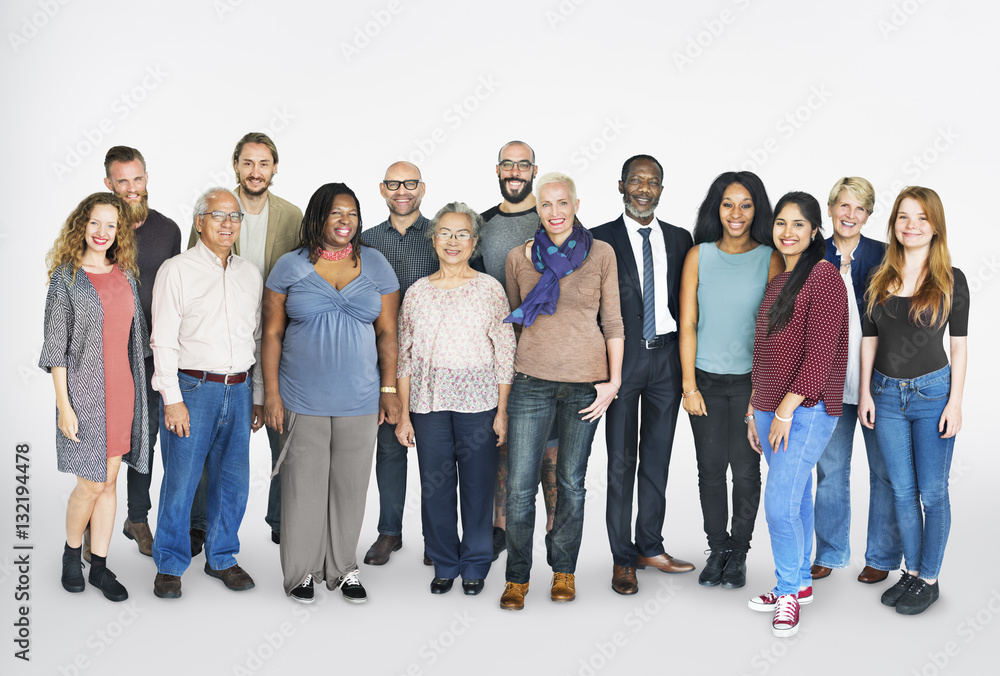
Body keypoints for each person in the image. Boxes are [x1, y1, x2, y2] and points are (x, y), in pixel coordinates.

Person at [262, 183, 401, 605]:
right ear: (318, 217)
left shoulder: (376, 264)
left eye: (352, 214)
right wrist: (271, 395)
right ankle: (301, 571)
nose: (345, 221)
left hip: (359, 398)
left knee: (351, 486)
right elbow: (271, 333)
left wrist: (389, 389)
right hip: (301, 398)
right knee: (302, 486)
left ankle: (343, 568)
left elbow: (389, 332)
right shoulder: (289, 265)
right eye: (336, 213)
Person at [500, 172, 624, 610]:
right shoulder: (520, 257)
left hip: (585, 387)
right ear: (538, 209)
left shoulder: (602, 253)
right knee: (518, 487)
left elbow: (612, 322)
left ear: (576, 205)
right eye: (546, 205)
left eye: (562, 203)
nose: (554, 212)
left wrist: (614, 382)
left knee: (571, 483)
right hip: (531, 382)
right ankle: (517, 577)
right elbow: (518, 323)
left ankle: (563, 570)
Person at [185, 132, 303, 549]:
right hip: (217, 350)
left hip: (275, 342)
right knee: (203, 446)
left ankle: (281, 519)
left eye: (264, 164)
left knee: (283, 434)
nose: (256, 171)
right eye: (248, 163)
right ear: (236, 165)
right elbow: (191, 276)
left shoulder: (292, 217)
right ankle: (198, 524)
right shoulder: (213, 208)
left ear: (274, 168)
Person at [395, 202, 516, 595]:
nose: (453, 241)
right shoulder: (416, 293)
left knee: (479, 487)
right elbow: (405, 357)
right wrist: (404, 416)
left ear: (475, 242)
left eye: (463, 234)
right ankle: (444, 562)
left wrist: (501, 411)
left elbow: (505, 352)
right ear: (433, 239)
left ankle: (476, 563)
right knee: (436, 487)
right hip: (427, 406)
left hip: (478, 404)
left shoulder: (490, 289)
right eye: (445, 232)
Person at [150, 188, 265, 599]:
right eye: (218, 216)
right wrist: (172, 399)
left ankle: (222, 557)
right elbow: (162, 338)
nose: (227, 223)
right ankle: (169, 562)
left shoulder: (249, 273)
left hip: (239, 388)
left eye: (234, 217)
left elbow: (254, 336)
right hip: (192, 388)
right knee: (181, 480)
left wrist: (257, 394)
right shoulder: (176, 270)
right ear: (199, 222)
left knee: (233, 482)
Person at [859, 186, 968, 615]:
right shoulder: (879, 278)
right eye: (903, 217)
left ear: (935, 226)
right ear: (894, 225)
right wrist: (866, 391)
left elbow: (958, 346)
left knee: (933, 493)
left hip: (932, 394)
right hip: (885, 396)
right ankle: (911, 570)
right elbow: (869, 340)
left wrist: (955, 402)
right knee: (902, 492)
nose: (911, 226)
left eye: (921, 218)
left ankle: (929, 577)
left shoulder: (951, 280)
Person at [745, 192, 849, 638]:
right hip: (769, 408)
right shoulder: (780, 280)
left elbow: (821, 354)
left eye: (798, 225)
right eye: (781, 224)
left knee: (779, 502)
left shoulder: (824, 277)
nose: (788, 232)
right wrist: (755, 408)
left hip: (805, 409)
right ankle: (801, 582)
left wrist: (786, 409)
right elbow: (765, 352)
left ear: (813, 231)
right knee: (797, 496)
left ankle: (787, 591)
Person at [592, 155, 696, 596]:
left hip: (667, 362)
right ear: (621, 185)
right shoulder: (598, 238)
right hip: (621, 362)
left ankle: (650, 545)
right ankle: (622, 558)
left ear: (661, 190)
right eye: (636, 180)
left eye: (653, 182)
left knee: (657, 458)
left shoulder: (680, 238)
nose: (644, 188)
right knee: (620, 462)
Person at [41, 192, 150, 602]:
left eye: (111, 225)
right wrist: (63, 406)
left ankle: (100, 567)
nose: (102, 233)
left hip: (124, 390)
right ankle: (72, 556)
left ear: (120, 230)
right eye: (95, 223)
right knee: (89, 484)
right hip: (84, 394)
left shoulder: (126, 275)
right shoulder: (65, 277)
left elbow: (132, 342)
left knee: (109, 482)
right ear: (80, 225)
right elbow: (55, 348)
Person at [678, 171, 782, 590]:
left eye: (745, 204)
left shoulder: (770, 257)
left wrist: (761, 394)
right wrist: (689, 386)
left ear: (757, 209)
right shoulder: (698, 255)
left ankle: (738, 552)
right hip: (703, 379)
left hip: (749, 385)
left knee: (745, 471)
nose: (735, 213)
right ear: (715, 208)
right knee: (709, 470)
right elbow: (688, 323)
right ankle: (716, 548)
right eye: (727, 204)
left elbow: (775, 331)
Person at [811, 177, 901, 584]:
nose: (850, 215)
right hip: (827, 380)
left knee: (883, 471)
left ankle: (881, 555)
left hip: (876, 383)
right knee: (830, 471)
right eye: (843, 206)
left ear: (868, 215)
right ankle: (829, 552)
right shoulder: (812, 252)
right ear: (830, 209)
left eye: (859, 209)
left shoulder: (885, 256)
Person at [473, 140, 559, 561]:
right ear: (497, 170)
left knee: (552, 445)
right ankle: (500, 529)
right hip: (497, 357)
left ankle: (555, 530)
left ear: (534, 171)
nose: (514, 172)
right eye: (507, 164)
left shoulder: (553, 222)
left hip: (549, 353)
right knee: (502, 441)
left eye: (522, 165)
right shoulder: (482, 225)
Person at [100, 145, 181, 560]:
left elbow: (176, 294)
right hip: (108, 354)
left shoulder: (168, 230)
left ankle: (138, 517)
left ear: (147, 178)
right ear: (108, 184)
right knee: (111, 443)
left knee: (146, 439)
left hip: (151, 354)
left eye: (137, 179)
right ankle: (89, 537)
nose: (131, 188)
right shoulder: (101, 228)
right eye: (122, 181)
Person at [361, 161, 439, 567]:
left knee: (435, 453)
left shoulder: (441, 236)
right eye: (394, 184)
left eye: (410, 184)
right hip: (383, 362)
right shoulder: (366, 241)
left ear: (422, 188)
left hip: (435, 363)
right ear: (382, 189)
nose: (402, 191)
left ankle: (436, 536)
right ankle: (389, 532)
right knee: (390, 451)